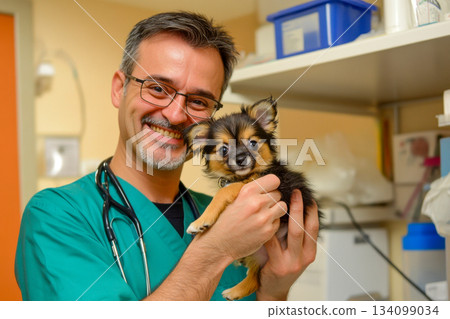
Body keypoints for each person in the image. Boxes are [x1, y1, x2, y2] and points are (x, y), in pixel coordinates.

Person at [15, 11, 319, 301]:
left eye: (199, 101)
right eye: (158, 88)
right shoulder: (57, 217)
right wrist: (215, 251)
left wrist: (275, 291)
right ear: (119, 89)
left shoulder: (237, 210)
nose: (175, 115)